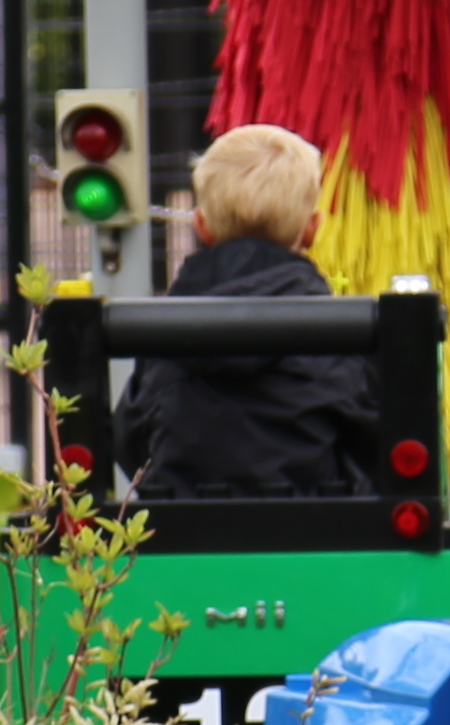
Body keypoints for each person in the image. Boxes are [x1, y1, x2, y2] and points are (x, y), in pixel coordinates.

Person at [113, 125, 388, 500]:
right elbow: (375, 445)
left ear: (202, 227)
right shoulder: (343, 336)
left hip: (184, 543)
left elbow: (131, 441)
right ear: (312, 230)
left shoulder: (165, 334)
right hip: (318, 540)